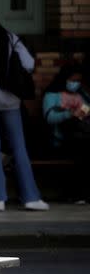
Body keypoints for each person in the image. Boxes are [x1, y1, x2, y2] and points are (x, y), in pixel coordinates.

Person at [0, 7, 49, 211]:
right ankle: (31, 197)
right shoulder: (10, 37)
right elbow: (30, 64)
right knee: (19, 146)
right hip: (10, 98)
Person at [42, 62, 90, 203]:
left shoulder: (81, 94)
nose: (75, 83)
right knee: (82, 150)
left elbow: (86, 111)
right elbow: (49, 118)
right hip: (60, 139)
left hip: (80, 135)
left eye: (78, 81)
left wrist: (80, 113)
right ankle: (78, 193)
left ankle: (83, 193)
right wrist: (69, 113)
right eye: (73, 80)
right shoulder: (52, 95)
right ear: (65, 78)